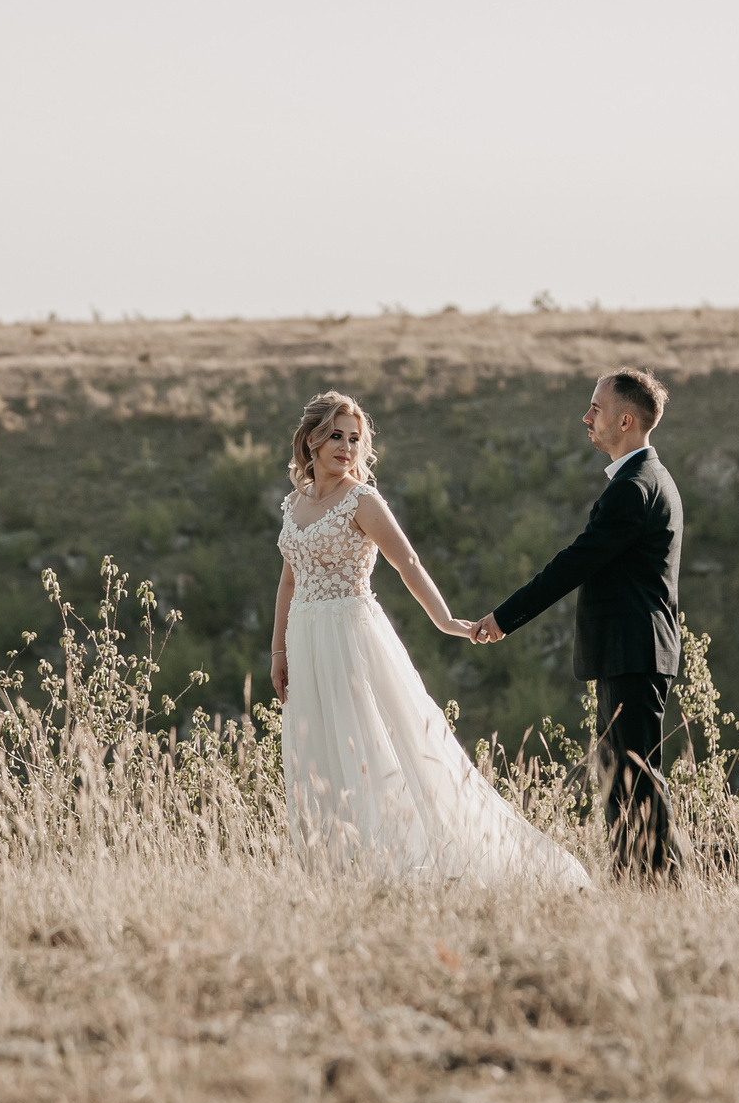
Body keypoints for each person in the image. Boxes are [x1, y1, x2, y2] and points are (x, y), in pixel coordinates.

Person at [270, 391, 591, 891]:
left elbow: (408, 564)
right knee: (318, 751)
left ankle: (401, 870)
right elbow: (289, 581)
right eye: (336, 435)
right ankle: (335, 875)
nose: (346, 447)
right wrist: (279, 652)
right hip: (305, 643)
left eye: (355, 439)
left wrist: (445, 621)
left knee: (375, 745)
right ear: (310, 439)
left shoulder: (362, 500)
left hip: (352, 639)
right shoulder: (292, 505)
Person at [473, 369, 685, 879]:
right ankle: (642, 886)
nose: (586, 417)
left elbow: (574, 563)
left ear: (626, 420)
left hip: (633, 650)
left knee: (634, 780)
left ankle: (657, 888)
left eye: (596, 408)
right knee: (624, 778)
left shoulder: (634, 488)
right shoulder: (647, 480)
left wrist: (505, 618)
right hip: (632, 651)